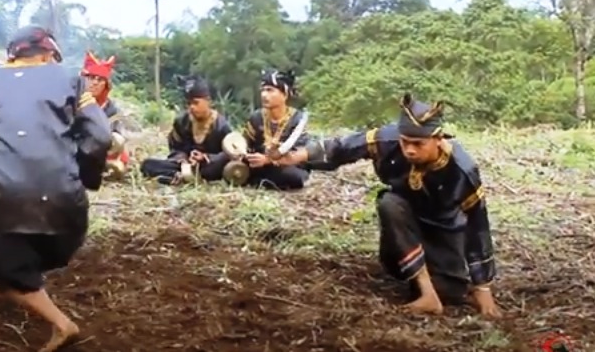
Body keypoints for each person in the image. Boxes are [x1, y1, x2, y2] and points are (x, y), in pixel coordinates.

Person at [0, 25, 111, 352]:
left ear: (11, 55)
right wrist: (84, 179)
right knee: (29, 245)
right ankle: (20, 272)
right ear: (49, 55)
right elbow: (101, 137)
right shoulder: (70, 80)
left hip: (1, 198)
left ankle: (61, 324)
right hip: (66, 210)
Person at [276, 93, 500, 317]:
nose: (410, 150)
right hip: (402, 223)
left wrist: (482, 286)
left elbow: (477, 225)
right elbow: (342, 147)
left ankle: (433, 285)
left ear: (438, 139)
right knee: (390, 203)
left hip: (443, 230)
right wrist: (295, 157)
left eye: (418, 144)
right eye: (405, 142)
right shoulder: (387, 140)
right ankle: (426, 294)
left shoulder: (462, 169)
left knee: (451, 292)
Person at [140, 75, 234, 184]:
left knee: (217, 166)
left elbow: (228, 154)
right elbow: (175, 148)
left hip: (207, 167)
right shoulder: (181, 122)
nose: (191, 107)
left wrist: (205, 158)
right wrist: (183, 159)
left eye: (195, 103)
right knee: (147, 165)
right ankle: (179, 176)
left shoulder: (221, 125)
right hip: (184, 166)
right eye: (189, 103)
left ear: (208, 101)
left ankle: (179, 177)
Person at [240, 69, 310, 190]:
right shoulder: (257, 117)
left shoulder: (297, 119)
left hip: (285, 165)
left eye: (270, 90)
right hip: (258, 163)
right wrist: (245, 154)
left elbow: (298, 154)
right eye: (263, 90)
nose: (264, 95)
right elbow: (245, 143)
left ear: (285, 94)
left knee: (293, 176)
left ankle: (258, 180)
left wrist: (268, 160)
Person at [80, 51, 128, 179]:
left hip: (99, 150)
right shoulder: (71, 102)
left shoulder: (111, 109)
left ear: (106, 85)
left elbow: (116, 139)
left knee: (118, 142)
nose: (95, 83)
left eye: (100, 79)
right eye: (91, 78)